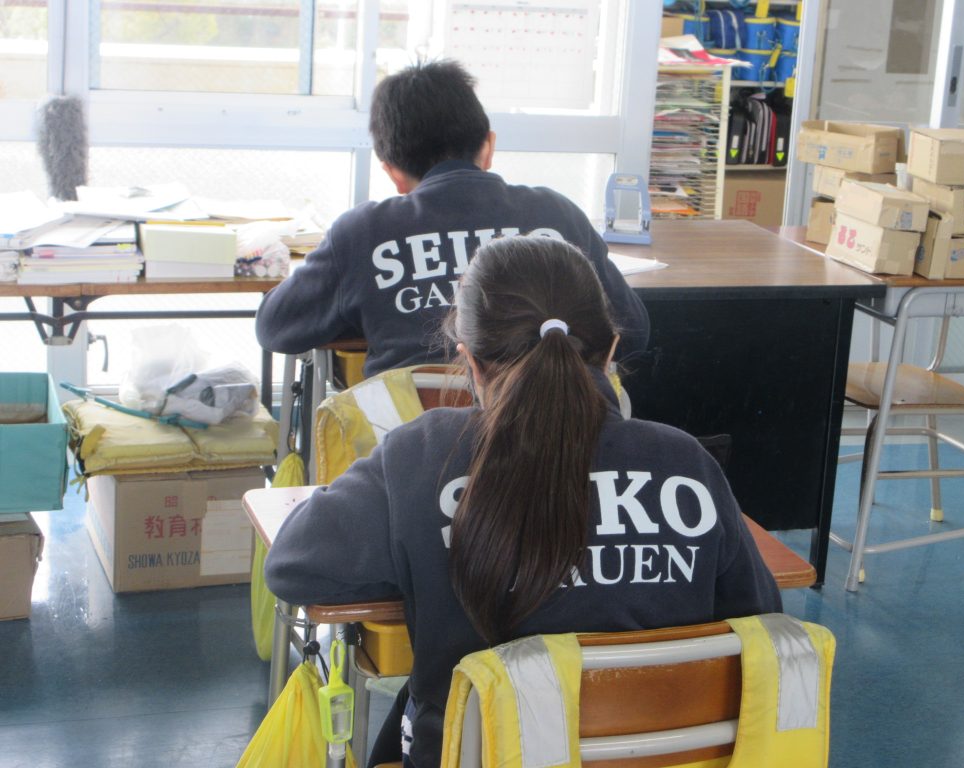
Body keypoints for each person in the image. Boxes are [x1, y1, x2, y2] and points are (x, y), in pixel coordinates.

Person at [264, 235, 782, 768]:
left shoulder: (424, 455)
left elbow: (294, 567)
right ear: (610, 351)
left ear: (470, 361)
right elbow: (761, 620)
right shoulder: (686, 462)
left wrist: (420, 557)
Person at [254, 59, 649, 377]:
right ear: (488, 146)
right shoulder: (557, 214)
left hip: (411, 441)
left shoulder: (362, 232)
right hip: (557, 440)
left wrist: (366, 305)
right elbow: (631, 331)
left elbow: (275, 329)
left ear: (392, 171)